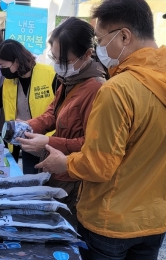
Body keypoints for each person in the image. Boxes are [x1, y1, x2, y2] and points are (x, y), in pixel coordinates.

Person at [36, 0, 166, 259]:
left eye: (101, 39)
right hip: (155, 218)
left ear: (124, 36)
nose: (99, 48)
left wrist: (65, 163)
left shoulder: (117, 89)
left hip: (109, 222)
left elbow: (99, 165)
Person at [17, 17, 106, 229]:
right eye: (54, 58)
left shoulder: (96, 89)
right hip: (56, 170)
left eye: (63, 60)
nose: (58, 65)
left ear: (87, 54)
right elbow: (52, 114)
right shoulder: (69, 81)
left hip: (74, 178)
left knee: (64, 227)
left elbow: (92, 143)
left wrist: (48, 142)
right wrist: (26, 126)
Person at [0, 39, 55, 174]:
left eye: (3, 65)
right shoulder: (9, 82)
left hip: (49, 142)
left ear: (17, 61)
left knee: (50, 183)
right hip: (26, 144)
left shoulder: (49, 74)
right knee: (30, 181)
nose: (1, 70)